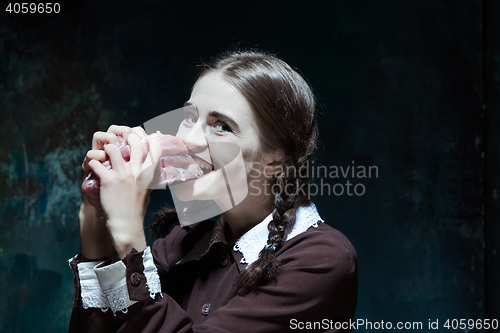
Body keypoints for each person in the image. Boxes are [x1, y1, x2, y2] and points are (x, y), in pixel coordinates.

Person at [68, 50, 358, 332]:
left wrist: (129, 234)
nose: (189, 140)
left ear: (275, 160)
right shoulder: (182, 243)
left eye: (222, 126)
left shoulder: (322, 260)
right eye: (190, 117)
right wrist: (95, 220)